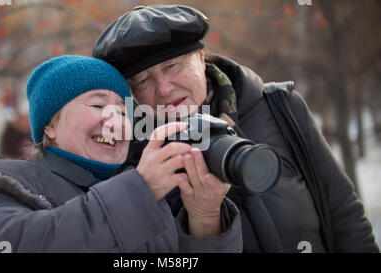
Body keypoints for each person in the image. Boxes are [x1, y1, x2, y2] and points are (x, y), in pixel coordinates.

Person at [92, 4, 379, 252]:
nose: (164, 89)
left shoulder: (280, 108)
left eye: (172, 66)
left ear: (201, 59)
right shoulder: (132, 164)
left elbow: (344, 215)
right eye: (142, 81)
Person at [0, 55, 242, 253]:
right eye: (98, 106)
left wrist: (205, 216)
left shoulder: (148, 187)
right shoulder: (1, 186)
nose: (114, 122)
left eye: (123, 111)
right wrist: (140, 190)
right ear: (50, 125)